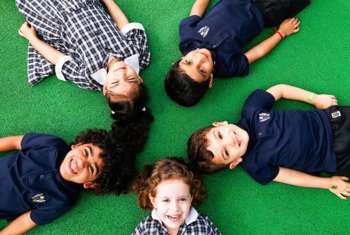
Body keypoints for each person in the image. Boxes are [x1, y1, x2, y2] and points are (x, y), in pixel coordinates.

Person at [188, 84, 350, 200]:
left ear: (220, 124)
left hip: (330, 121)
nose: (230, 141)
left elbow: (280, 90)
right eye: (226, 152)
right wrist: (327, 183)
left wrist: (314, 98)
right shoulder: (253, 165)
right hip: (335, 157)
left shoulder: (251, 109)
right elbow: (290, 177)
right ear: (234, 162)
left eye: (220, 136)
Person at [16, 0, 151, 118]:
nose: (121, 73)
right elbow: (124, 25)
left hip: (54, 18)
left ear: (105, 89)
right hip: (87, 4)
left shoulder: (89, 78)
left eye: (115, 82)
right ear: (140, 79)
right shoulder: (139, 56)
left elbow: (58, 59)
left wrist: (32, 38)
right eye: (131, 78)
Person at [164, 0, 310, 106]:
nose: (199, 59)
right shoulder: (227, 67)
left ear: (179, 60)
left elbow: (197, 9)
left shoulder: (187, 38)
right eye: (202, 70)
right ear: (210, 80)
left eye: (188, 62)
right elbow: (257, 52)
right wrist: (281, 33)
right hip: (269, 9)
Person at [0, 129, 135, 234]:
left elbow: (27, 221)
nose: (81, 162)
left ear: (90, 184)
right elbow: (16, 142)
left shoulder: (63, 200)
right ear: (78, 144)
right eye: (86, 152)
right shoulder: (52, 144)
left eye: (91, 168)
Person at [132, 157, 221, 235]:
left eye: (182, 199)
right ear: (153, 201)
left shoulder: (202, 224)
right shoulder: (146, 227)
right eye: (166, 200)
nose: (175, 208)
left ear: (191, 199)